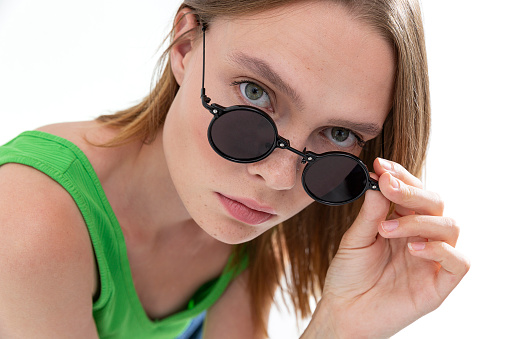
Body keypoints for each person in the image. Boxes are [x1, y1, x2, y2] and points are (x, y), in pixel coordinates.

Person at [0, 0, 469, 338]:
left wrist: (344, 326)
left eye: (340, 135)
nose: (280, 177)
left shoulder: (239, 226)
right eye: (255, 92)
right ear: (185, 46)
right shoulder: (28, 221)